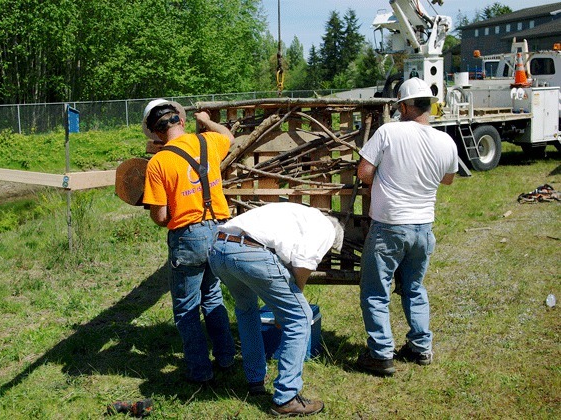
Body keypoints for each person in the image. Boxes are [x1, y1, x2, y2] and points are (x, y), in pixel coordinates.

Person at [355, 77, 458, 376]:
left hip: (389, 226)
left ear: (403, 105)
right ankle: (420, 347)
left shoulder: (390, 132)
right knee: (414, 287)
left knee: (375, 291)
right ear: (429, 105)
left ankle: (381, 354)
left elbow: (364, 172)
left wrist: (388, 180)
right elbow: (448, 179)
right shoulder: (445, 141)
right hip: (424, 227)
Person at [208, 202, 344, 417]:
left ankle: (255, 381)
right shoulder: (326, 228)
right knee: (300, 318)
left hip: (219, 248)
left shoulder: (298, 215)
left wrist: (282, 306)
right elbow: (303, 262)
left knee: (246, 312)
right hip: (249, 251)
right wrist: (293, 303)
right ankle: (287, 397)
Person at [141, 99, 236, 384]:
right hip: (220, 230)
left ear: (156, 133)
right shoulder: (209, 142)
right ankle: (227, 357)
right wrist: (206, 120)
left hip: (188, 237)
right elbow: (230, 137)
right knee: (213, 297)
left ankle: (200, 371)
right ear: (181, 121)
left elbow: (160, 216)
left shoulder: (158, 163)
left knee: (186, 307)